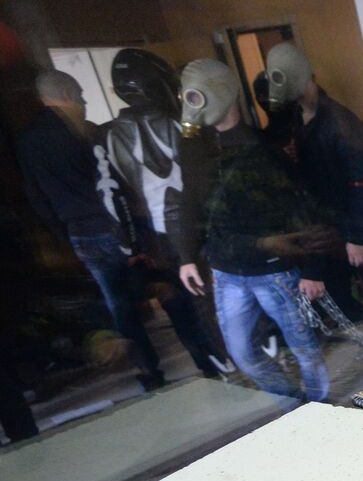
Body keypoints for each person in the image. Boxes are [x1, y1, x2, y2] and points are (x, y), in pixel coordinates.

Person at [174, 58, 335, 402]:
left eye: (197, 95)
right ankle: (293, 405)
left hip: (273, 272)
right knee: (244, 356)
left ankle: (320, 409)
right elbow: (190, 201)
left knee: (305, 349)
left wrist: (313, 269)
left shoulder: (264, 152)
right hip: (227, 272)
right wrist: (186, 255)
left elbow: (303, 210)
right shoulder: (195, 149)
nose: (193, 104)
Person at [17, 69, 167, 391]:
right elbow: (113, 184)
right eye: (81, 97)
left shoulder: (27, 141)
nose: (84, 103)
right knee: (157, 284)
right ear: (68, 95)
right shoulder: (83, 132)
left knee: (116, 303)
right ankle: (200, 353)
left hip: (79, 233)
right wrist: (136, 231)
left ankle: (147, 369)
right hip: (112, 225)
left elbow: (37, 197)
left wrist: (64, 235)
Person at [104, 48, 226, 378]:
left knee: (181, 304)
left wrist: (132, 244)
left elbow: (117, 194)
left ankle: (210, 365)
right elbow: (202, 178)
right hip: (193, 226)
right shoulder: (179, 125)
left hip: (154, 237)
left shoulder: (110, 135)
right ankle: (228, 358)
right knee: (210, 298)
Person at [263, 42, 363, 317]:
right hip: (331, 227)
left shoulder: (339, 121)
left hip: (357, 227)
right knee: (339, 297)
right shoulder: (300, 119)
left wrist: (357, 236)